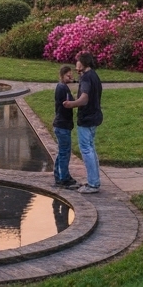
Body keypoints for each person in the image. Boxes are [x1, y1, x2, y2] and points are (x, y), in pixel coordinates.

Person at [61, 51, 103, 194]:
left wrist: (71, 104)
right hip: (94, 117)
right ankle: (94, 180)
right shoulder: (94, 76)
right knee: (91, 149)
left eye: (77, 63)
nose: (75, 66)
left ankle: (93, 184)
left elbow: (84, 99)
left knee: (86, 150)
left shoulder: (86, 78)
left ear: (83, 63)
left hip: (86, 119)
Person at [51, 65, 80, 189]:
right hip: (63, 125)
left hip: (61, 124)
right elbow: (68, 104)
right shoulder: (63, 88)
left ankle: (59, 175)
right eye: (69, 75)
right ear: (63, 75)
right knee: (65, 152)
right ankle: (63, 178)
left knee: (62, 151)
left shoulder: (62, 87)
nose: (71, 77)